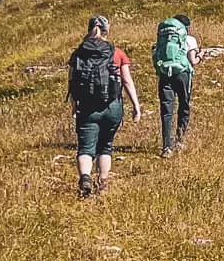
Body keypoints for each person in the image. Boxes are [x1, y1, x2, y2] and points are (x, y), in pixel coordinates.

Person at [67, 15, 142, 198]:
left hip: (86, 107)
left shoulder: (78, 53)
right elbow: (126, 81)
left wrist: (74, 105)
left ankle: (85, 177)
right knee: (105, 146)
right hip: (112, 106)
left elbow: (71, 82)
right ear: (107, 31)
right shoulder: (116, 52)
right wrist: (136, 106)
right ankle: (103, 183)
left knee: (85, 148)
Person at [152, 13, 200, 156]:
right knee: (184, 106)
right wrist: (200, 57)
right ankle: (180, 140)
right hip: (183, 75)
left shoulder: (163, 39)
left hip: (165, 74)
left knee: (167, 110)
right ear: (186, 27)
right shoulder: (189, 39)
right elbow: (193, 61)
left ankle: (167, 146)